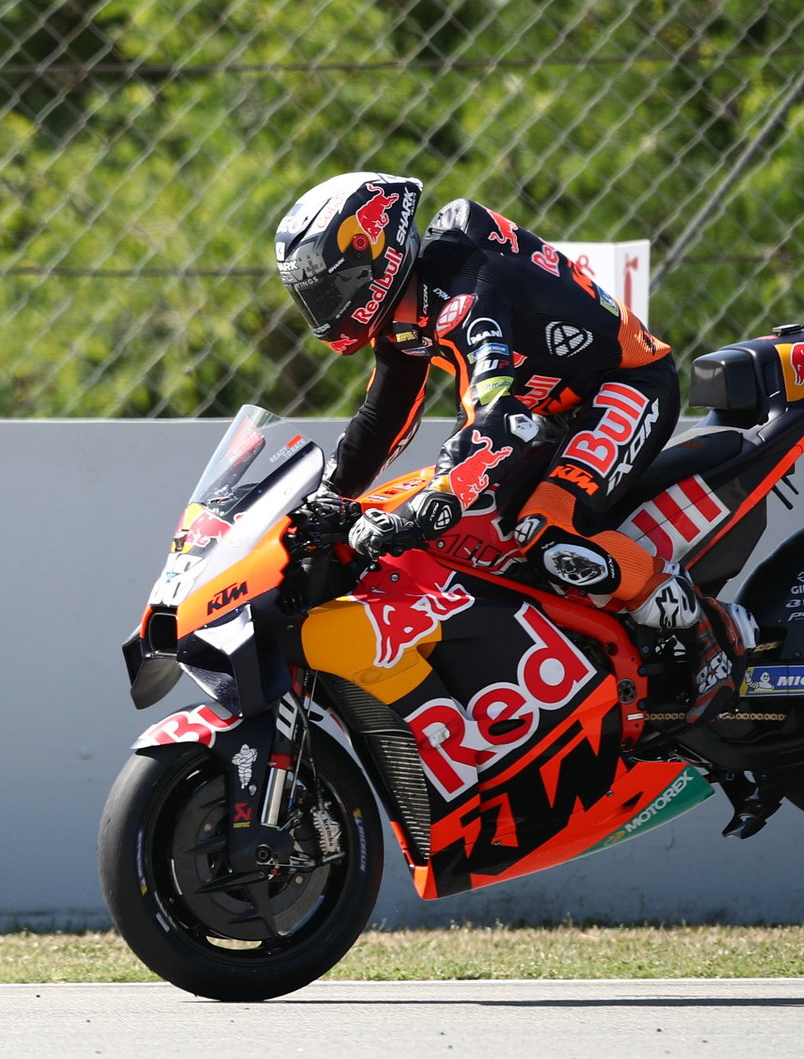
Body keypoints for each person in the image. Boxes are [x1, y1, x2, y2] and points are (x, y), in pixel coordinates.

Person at [273, 171, 756, 724]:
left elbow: (494, 410)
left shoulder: (466, 291)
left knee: (545, 531)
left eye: (331, 287)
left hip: (624, 384)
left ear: (373, 251)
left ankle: (707, 628)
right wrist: (328, 495)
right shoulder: (404, 316)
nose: (324, 304)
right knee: (474, 535)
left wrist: (439, 496)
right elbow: (383, 419)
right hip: (546, 414)